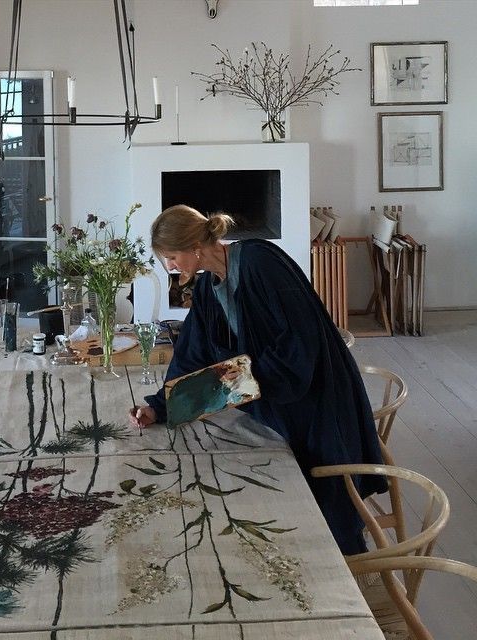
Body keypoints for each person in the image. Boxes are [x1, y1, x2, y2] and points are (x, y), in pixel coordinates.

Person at [128, 205, 387, 554]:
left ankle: (349, 572)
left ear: (194, 246)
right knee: (267, 480)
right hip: (275, 396)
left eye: (172, 257)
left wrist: (230, 383)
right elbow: (192, 355)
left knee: (328, 498)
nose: (170, 267)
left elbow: (300, 343)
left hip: (317, 396)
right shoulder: (207, 288)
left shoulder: (260, 261)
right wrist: (160, 406)